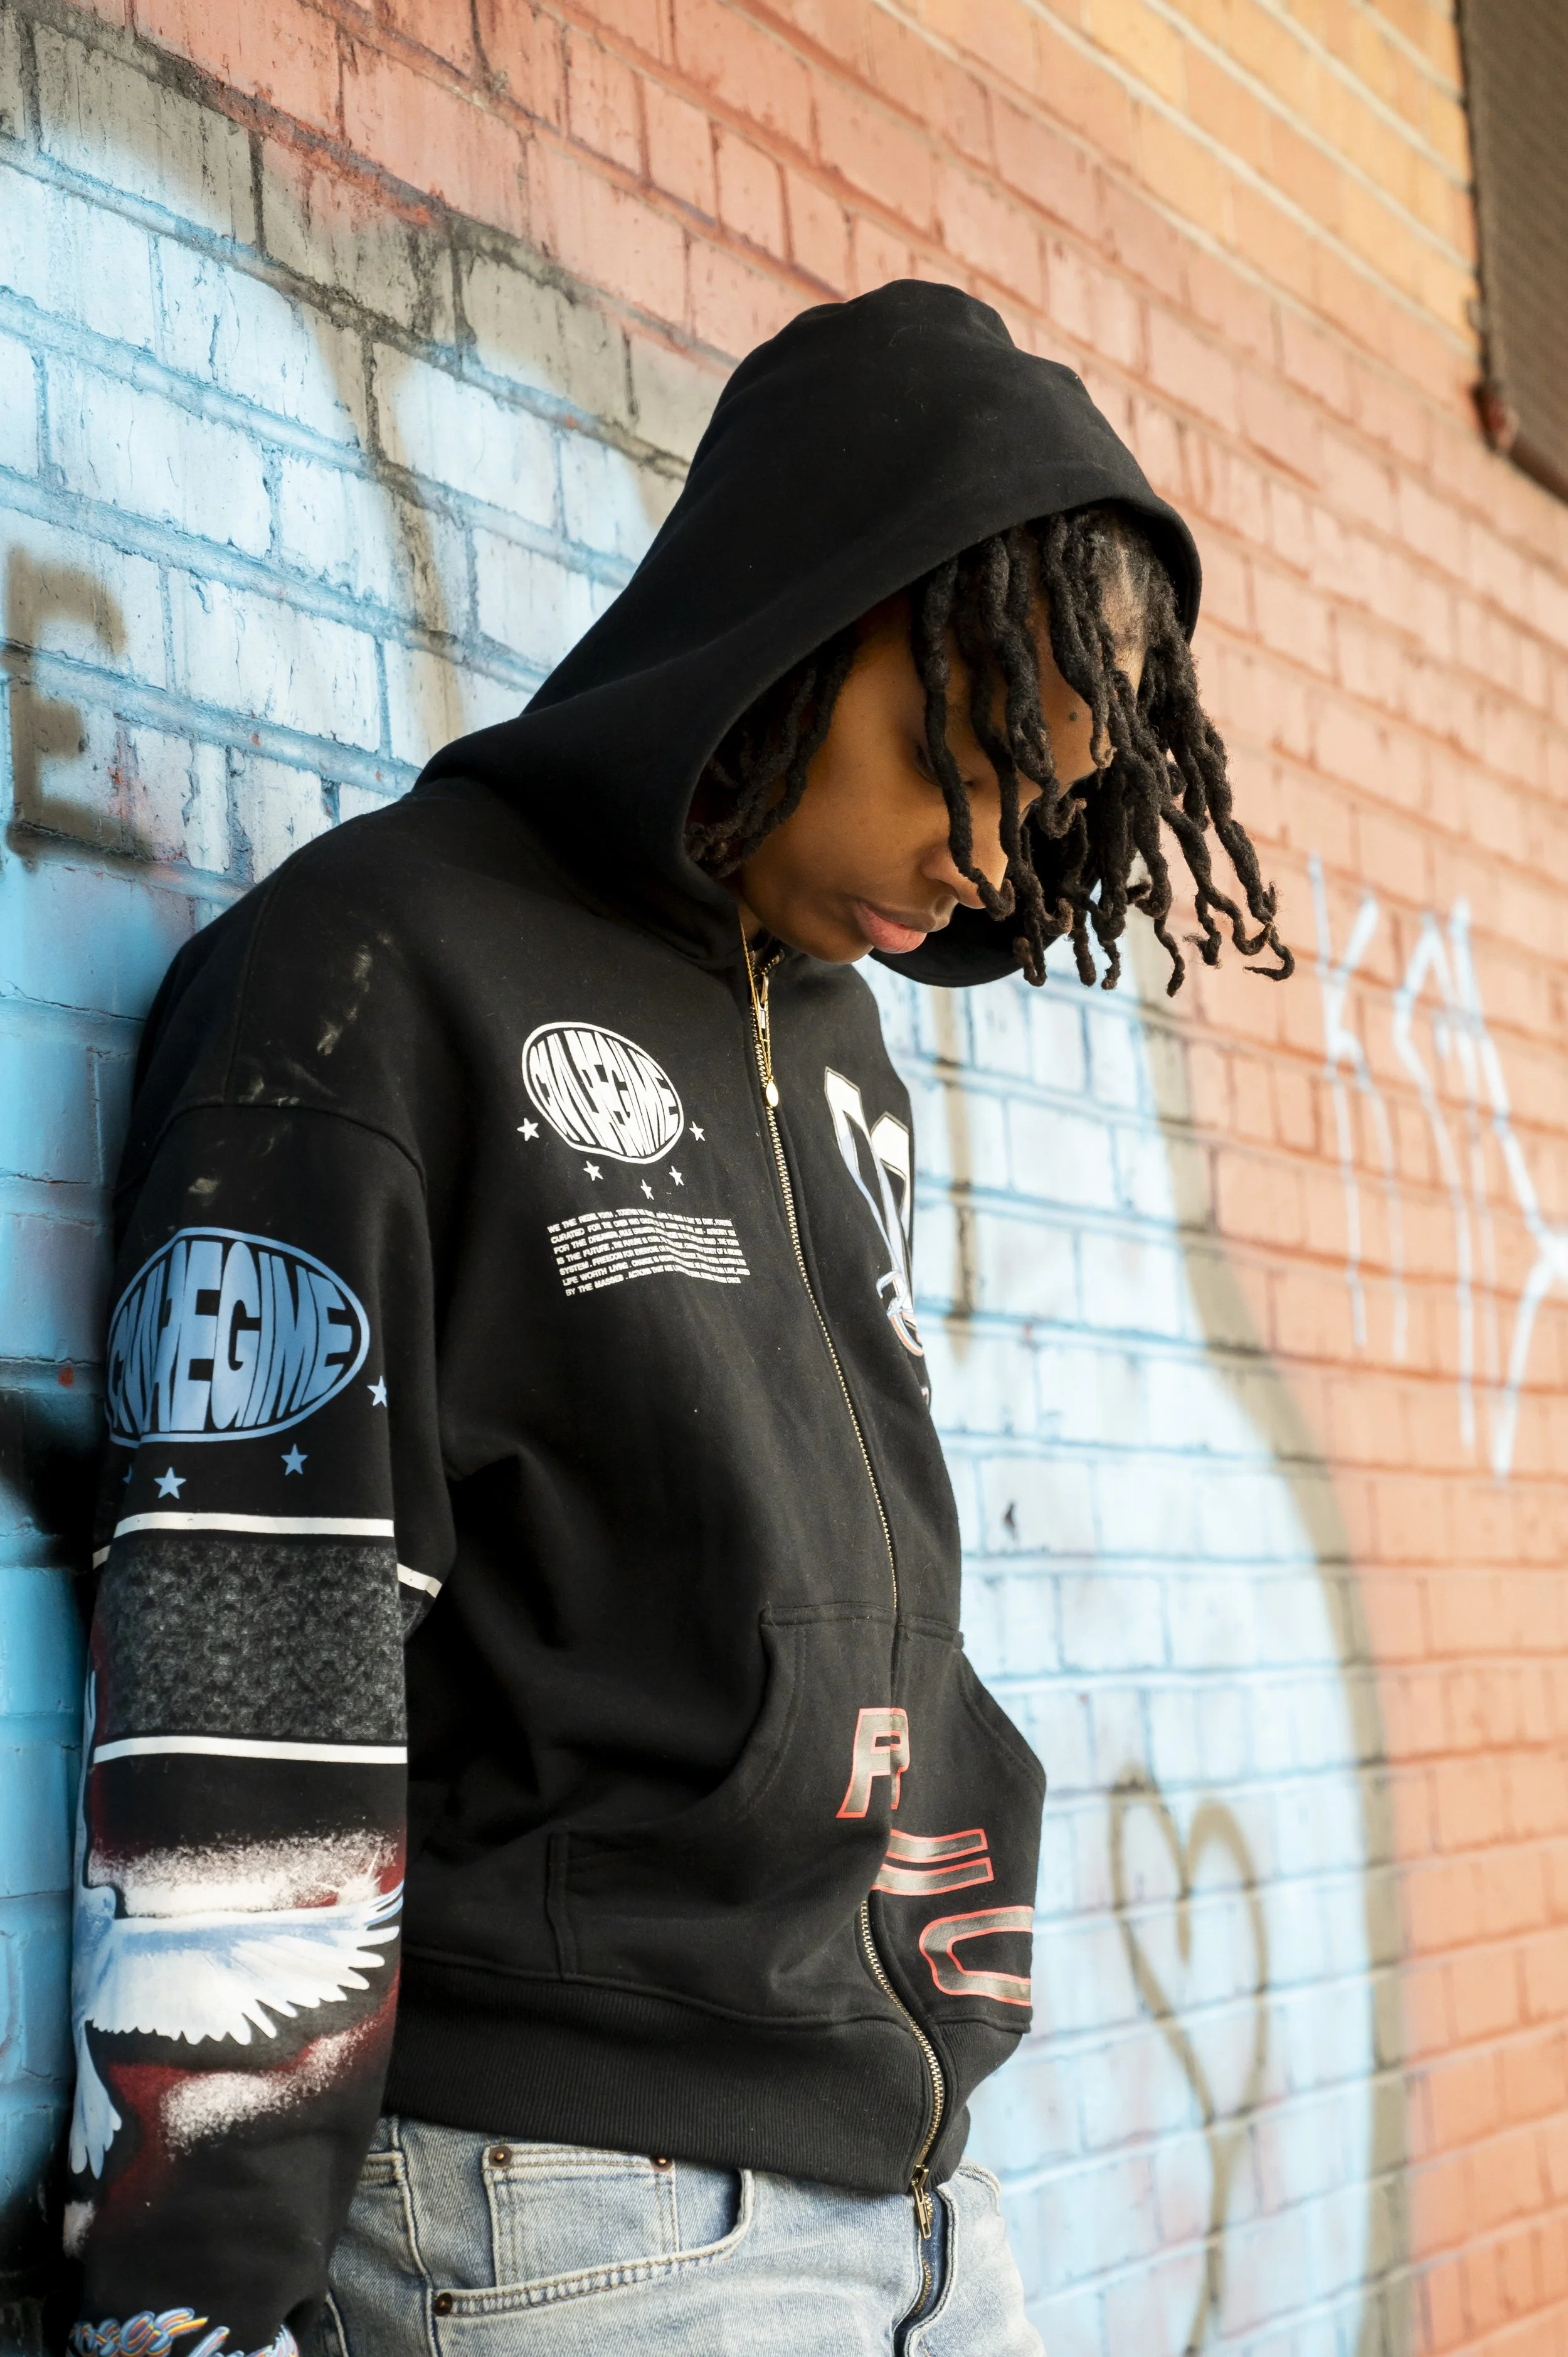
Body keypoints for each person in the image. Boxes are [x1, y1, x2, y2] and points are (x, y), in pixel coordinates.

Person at [63, 279, 1288, 2357]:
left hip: (907, 2211)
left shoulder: (842, 1051)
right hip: (563, 2228)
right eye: (962, 751)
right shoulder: (374, 983)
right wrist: (196, 2306)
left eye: (1044, 799)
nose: (984, 852)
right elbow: (246, 1665)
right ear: (803, 619)